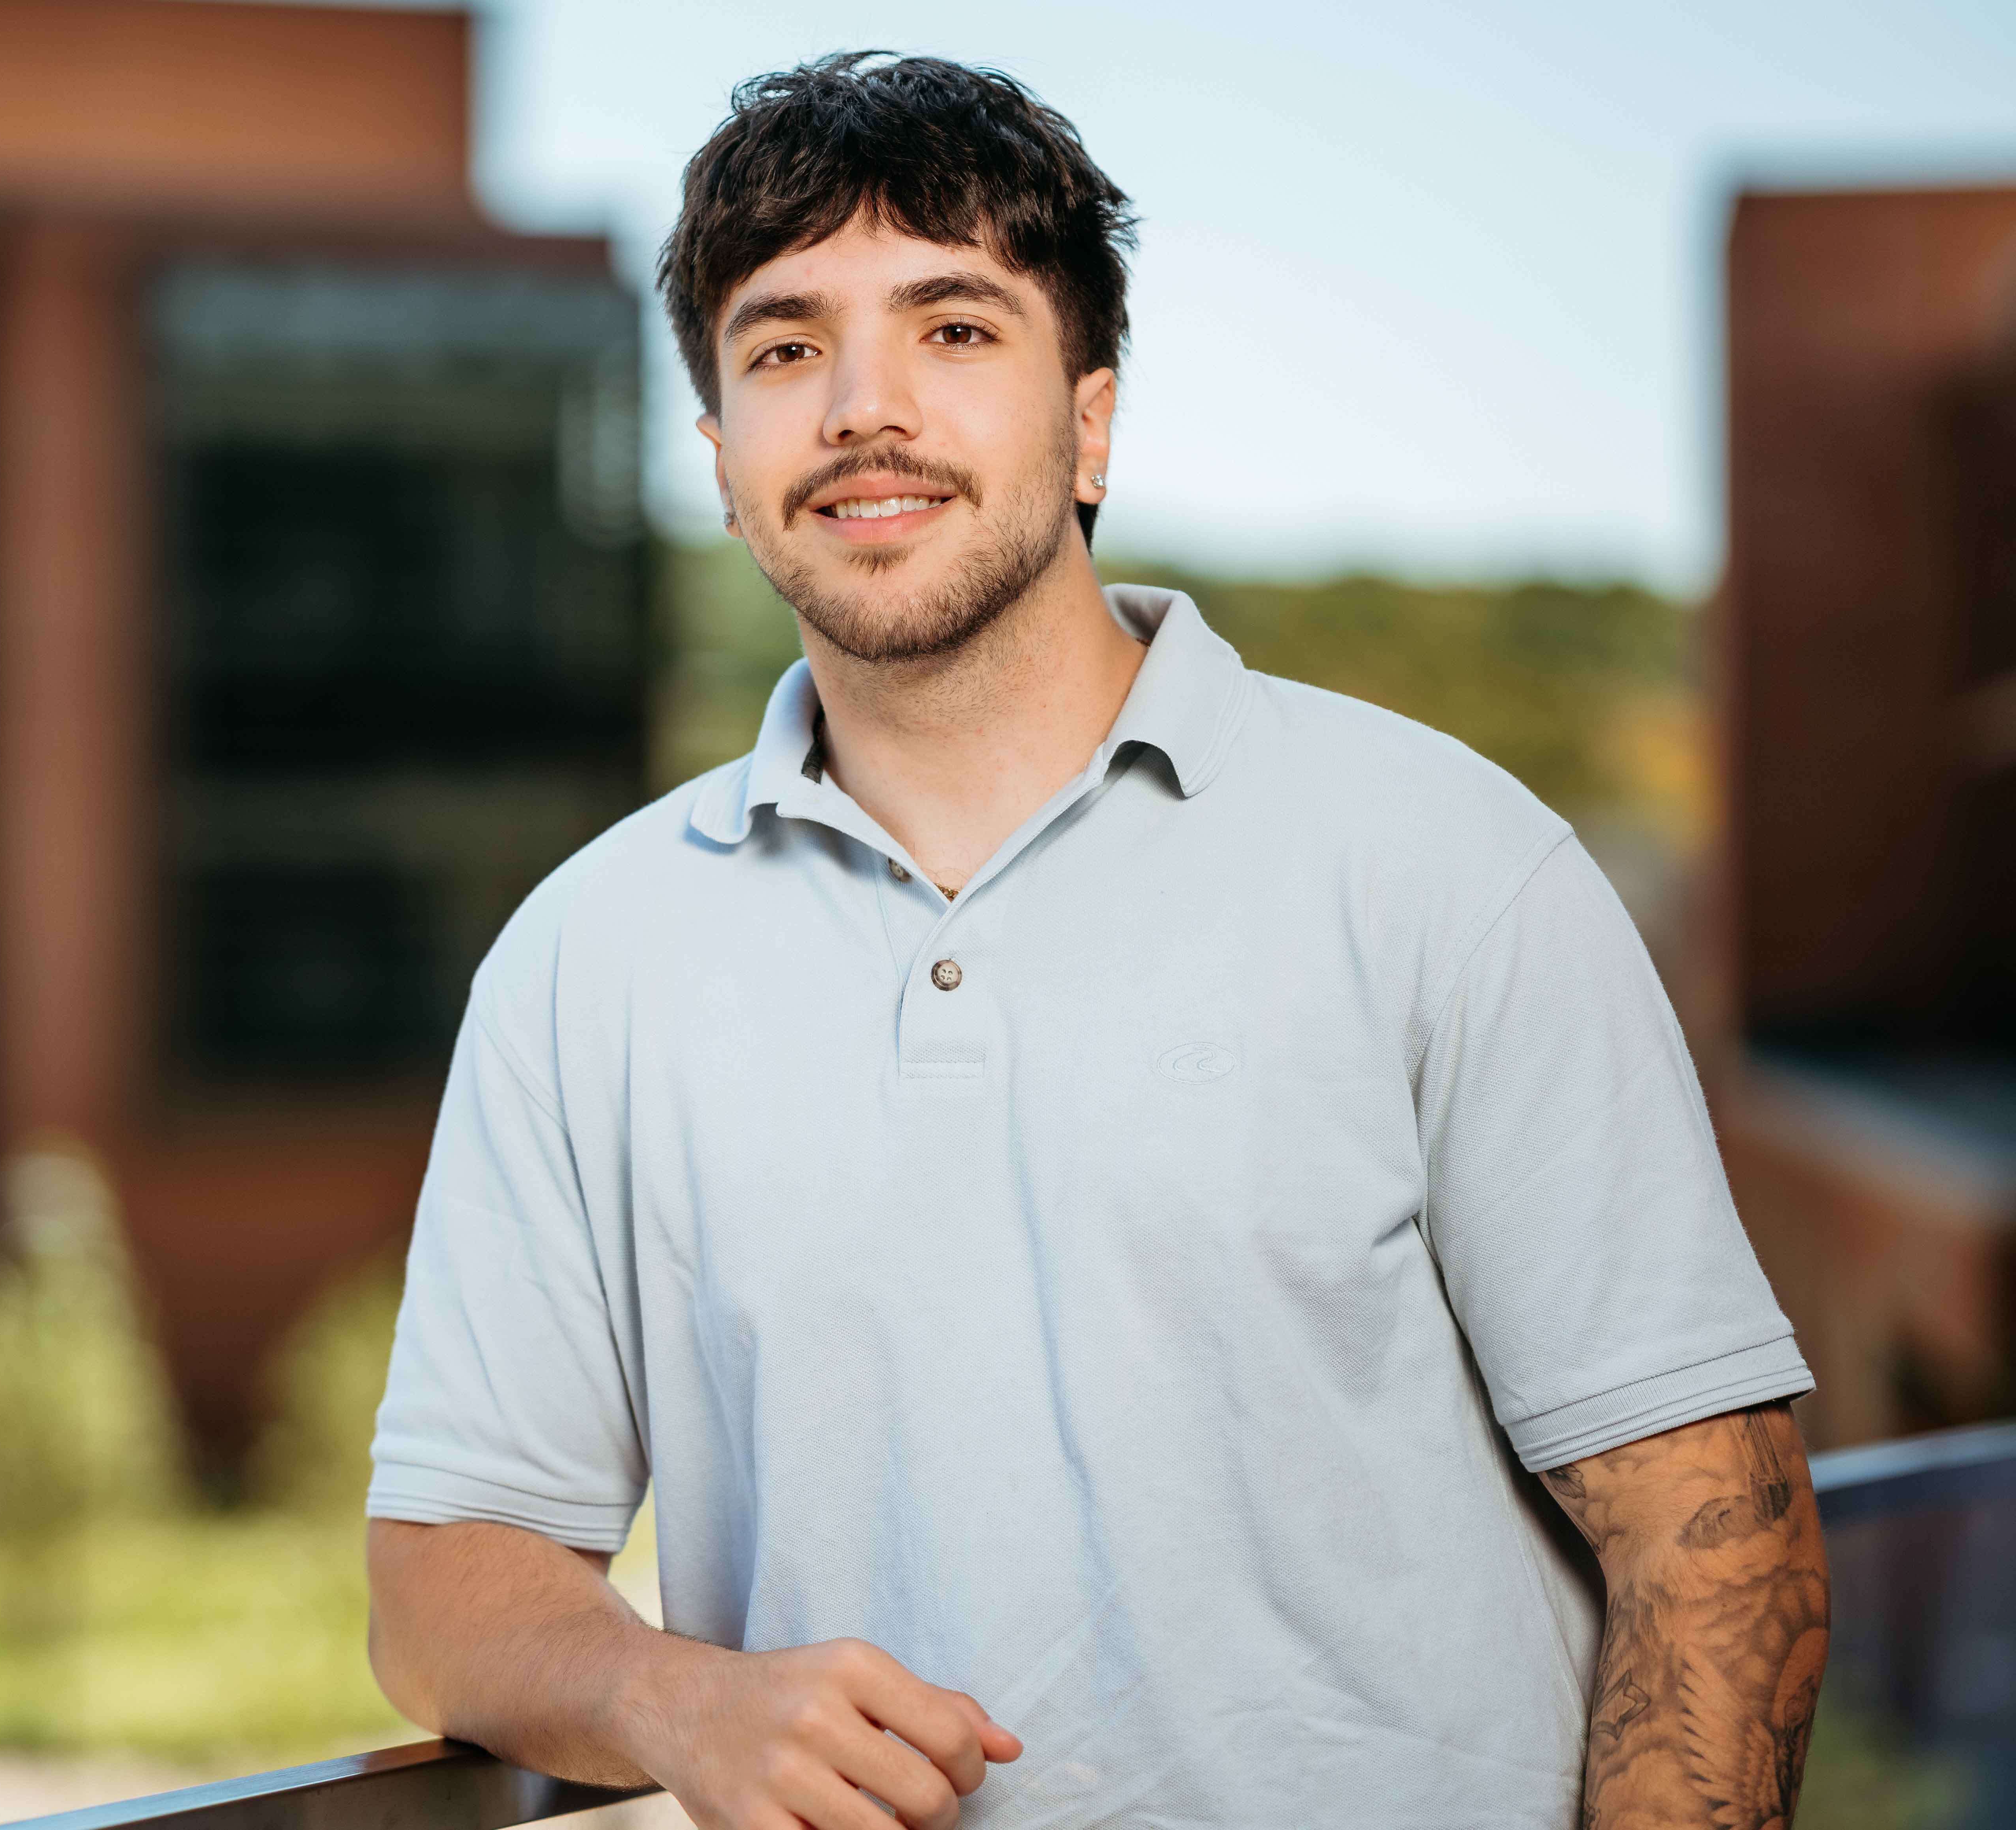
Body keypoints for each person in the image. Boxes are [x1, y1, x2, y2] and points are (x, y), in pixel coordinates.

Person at [361, 52, 1827, 1830]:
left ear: (1096, 419)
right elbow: (445, 1578)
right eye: (783, 347)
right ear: (722, 459)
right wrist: (670, 1695)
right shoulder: (585, 959)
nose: (861, 409)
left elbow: (1714, 1537)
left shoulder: (1446, 862)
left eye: (955, 330)